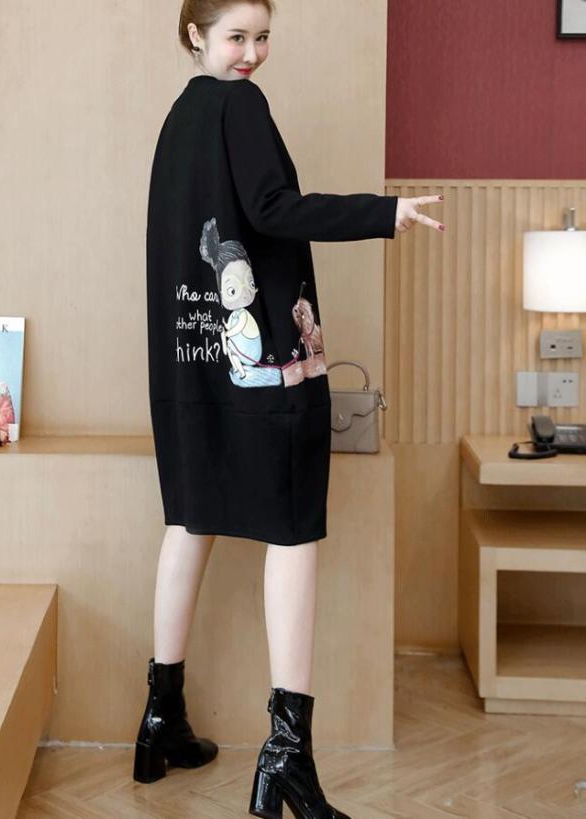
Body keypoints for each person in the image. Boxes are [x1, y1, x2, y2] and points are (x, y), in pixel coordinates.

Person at [134, 2, 444, 816]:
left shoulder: (178, 121)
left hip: (189, 365)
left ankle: (160, 718)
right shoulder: (240, 106)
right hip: (265, 369)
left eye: (263, 37)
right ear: (195, 34)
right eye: (236, 36)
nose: (252, 53)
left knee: (190, 517)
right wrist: (384, 211)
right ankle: (286, 759)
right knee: (293, 530)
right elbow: (274, 209)